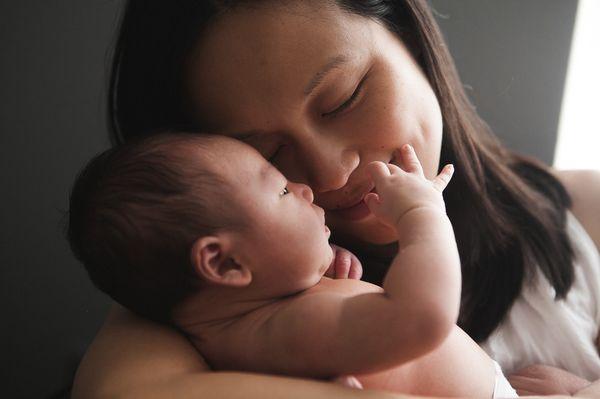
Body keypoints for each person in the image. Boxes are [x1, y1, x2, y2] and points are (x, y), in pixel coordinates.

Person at [71, 1, 600, 398]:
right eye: (266, 155)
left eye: (344, 98)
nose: (328, 173)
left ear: (410, 40)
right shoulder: (186, 304)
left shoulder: (587, 212)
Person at [68, 132, 517, 397]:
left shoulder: (254, 321)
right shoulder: (286, 329)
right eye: (281, 189)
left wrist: (324, 269)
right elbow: (423, 317)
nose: (305, 188)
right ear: (223, 263)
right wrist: (422, 215)